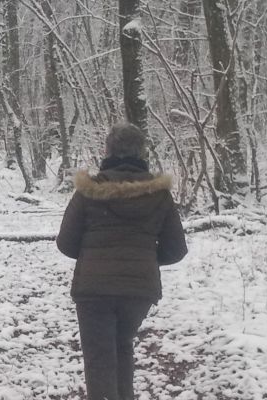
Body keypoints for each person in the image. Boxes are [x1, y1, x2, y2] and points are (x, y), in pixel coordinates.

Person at [56, 123, 189, 400]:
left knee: (98, 359)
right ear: (142, 152)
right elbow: (176, 249)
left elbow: (65, 243)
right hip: (138, 293)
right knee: (122, 347)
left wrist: (92, 253)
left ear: (107, 150)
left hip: (93, 291)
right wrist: (144, 260)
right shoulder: (159, 195)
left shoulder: (89, 191)